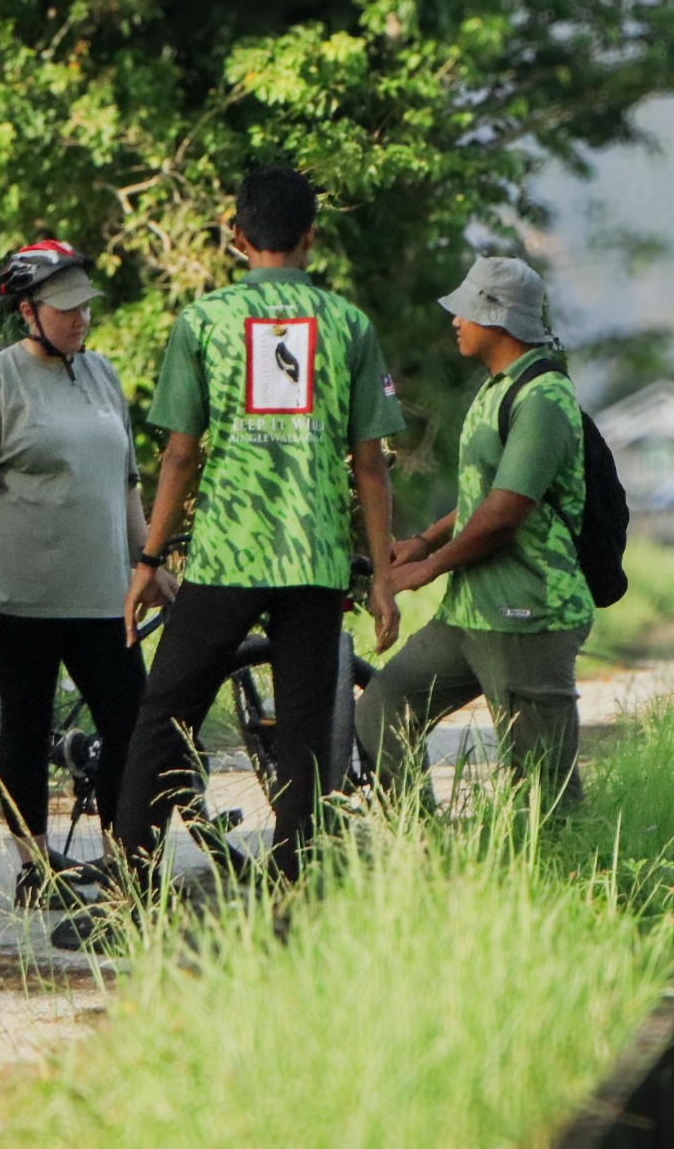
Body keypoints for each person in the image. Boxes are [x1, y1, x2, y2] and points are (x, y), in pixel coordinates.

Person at [84, 166, 403, 928]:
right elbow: (370, 463)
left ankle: (128, 895)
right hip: (315, 559)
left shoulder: (203, 321)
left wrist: (148, 560)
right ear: (311, 237)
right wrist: (384, 575)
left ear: (235, 235)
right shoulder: (350, 326)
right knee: (303, 733)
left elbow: (180, 456)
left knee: (166, 714)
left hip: (226, 555)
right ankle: (293, 905)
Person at [0, 240, 148, 905]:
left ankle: (126, 860)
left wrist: (148, 562)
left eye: (84, 306)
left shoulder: (102, 374)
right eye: (64, 309)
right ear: (28, 311)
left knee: (134, 723)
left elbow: (128, 482)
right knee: (27, 728)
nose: (79, 319)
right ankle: (37, 867)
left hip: (102, 593)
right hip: (19, 594)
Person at [357, 256, 591, 805]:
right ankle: (423, 854)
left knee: (546, 795)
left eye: (466, 311)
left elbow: (506, 513)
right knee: (384, 709)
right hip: (470, 613)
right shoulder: (496, 389)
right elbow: (482, 499)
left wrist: (426, 568)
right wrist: (425, 539)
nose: (455, 321)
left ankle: (571, 885)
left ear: (500, 318)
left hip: (525, 614)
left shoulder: (544, 399)